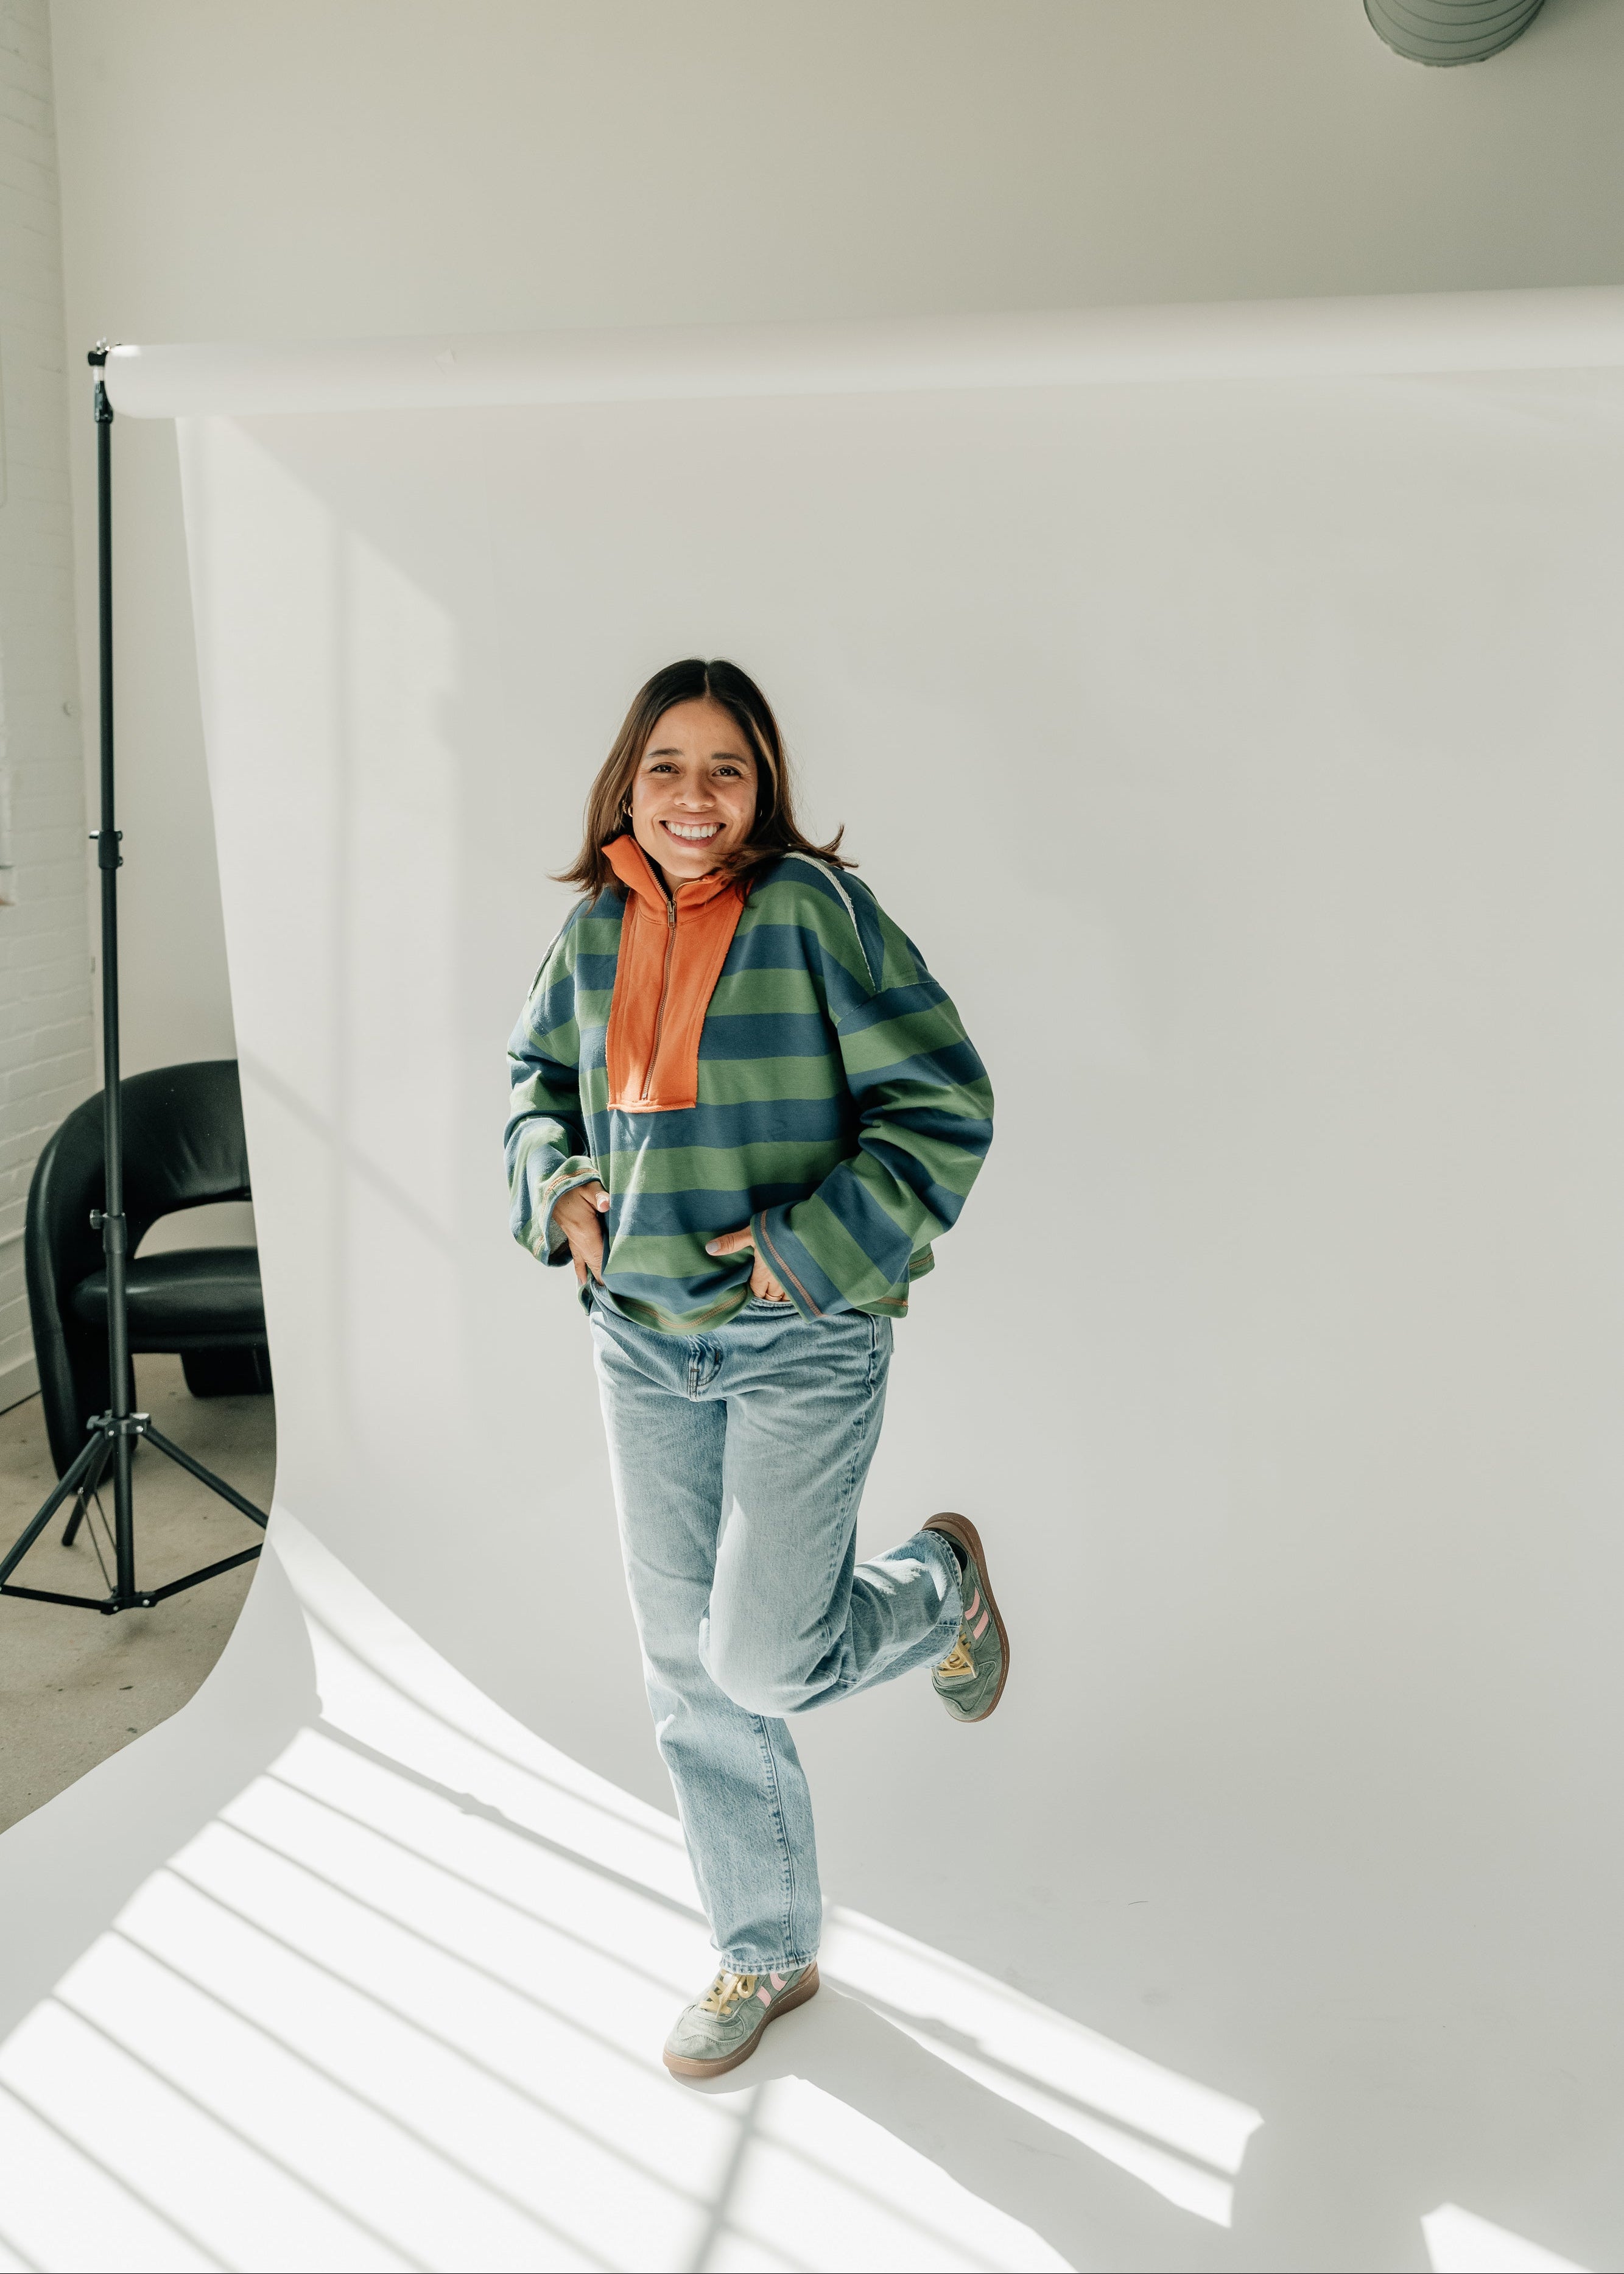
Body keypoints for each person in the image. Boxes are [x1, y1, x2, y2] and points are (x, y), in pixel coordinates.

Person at [505, 658, 1002, 2080]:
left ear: (763, 785)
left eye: (725, 768)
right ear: (628, 779)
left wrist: (804, 1247)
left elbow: (945, 1098)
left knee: (763, 1656)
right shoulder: (593, 927)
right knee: (688, 1671)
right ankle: (763, 1947)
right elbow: (532, 1079)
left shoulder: (816, 914)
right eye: (667, 766)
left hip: (800, 1337)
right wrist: (560, 1192)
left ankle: (939, 1588)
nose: (694, 796)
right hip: (639, 1342)